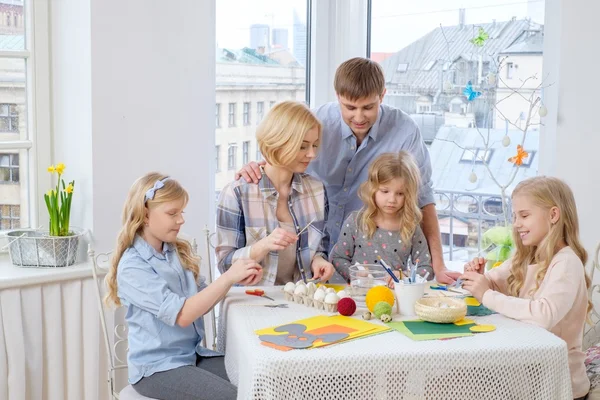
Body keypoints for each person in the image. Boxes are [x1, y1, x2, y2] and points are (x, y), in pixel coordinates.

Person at [236, 57, 459, 284]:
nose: (359, 117)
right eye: (350, 107)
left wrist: (438, 266)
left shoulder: (405, 131)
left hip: (366, 265)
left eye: (368, 107)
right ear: (337, 96)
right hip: (312, 260)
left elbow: (423, 199)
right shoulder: (317, 122)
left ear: (382, 96)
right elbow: (284, 154)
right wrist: (258, 166)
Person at [105, 172, 263, 400]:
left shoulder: (174, 252)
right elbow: (183, 316)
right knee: (235, 397)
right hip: (157, 370)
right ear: (146, 215)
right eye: (172, 213)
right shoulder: (132, 267)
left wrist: (234, 281)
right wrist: (228, 277)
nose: (181, 220)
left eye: (181, 212)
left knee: (259, 379)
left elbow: (202, 301)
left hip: (192, 355)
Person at [461, 176, 590, 400]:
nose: (516, 223)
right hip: (528, 375)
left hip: (560, 383)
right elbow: (494, 281)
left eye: (524, 215)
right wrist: (479, 278)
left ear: (553, 215)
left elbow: (544, 315)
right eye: (514, 216)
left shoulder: (566, 262)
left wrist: (487, 294)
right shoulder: (526, 257)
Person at [216, 101, 335, 285]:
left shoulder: (317, 191)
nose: (312, 154)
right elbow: (225, 265)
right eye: (303, 146)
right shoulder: (237, 193)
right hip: (252, 302)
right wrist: (263, 245)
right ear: (278, 143)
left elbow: (319, 248)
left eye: (315, 145)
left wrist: (319, 260)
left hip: (302, 299)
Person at [330, 151, 433, 285]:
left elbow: (426, 269)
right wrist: (355, 273)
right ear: (373, 188)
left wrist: (404, 276)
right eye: (385, 191)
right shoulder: (356, 221)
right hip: (359, 295)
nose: (392, 200)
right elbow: (338, 258)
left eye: (400, 193)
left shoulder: (411, 227)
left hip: (394, 298)